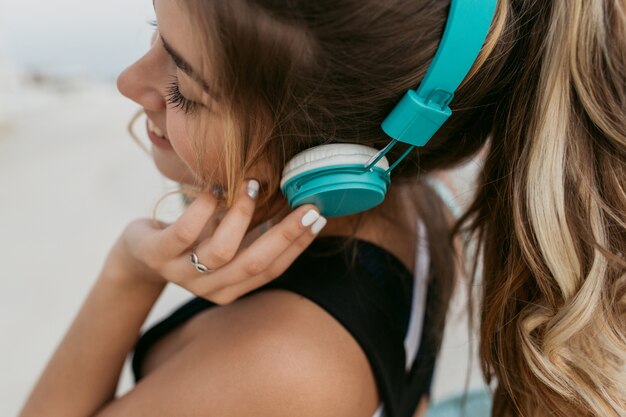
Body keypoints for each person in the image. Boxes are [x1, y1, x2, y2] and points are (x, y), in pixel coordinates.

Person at [17, 1, 625, 417]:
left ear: (329, 156)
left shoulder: (285, 363)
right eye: (155, 28)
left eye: (185, 88)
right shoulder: (420, 208)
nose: (127, 81)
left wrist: (129, 272)